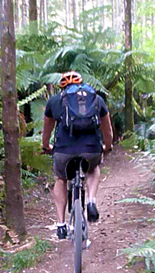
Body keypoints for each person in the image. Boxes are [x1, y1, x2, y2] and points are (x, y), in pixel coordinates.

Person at [42, 71, 113, 240]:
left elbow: (47, 130)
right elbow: (107, 130)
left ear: (62, 86)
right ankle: (91, 201)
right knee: (93, 168)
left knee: (61, 178)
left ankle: (60, 224)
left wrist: (46, 146)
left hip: (63, 150)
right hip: (91, 149)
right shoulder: (97, 99)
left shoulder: (55, 101)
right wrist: (107, 147)